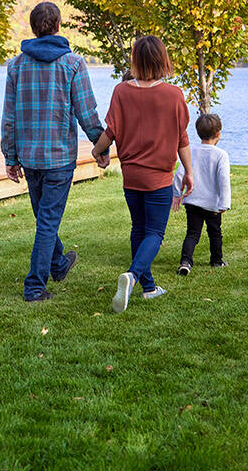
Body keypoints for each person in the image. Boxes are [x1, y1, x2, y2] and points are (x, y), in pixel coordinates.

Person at [1, 1, 105, 302]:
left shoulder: (16, 66)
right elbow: (87, 111)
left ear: (34, 28)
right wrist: (100, 146)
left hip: (31, 158)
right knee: (46, 220)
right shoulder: (73, 64)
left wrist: (11, 156)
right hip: (58, 159)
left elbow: (9, 117)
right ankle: (34, 286)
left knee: (45, 218)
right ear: (58, 26)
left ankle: (58, 264)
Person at [91, 36, 192, 313]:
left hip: (131, 175)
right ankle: (134, 276)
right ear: (162, 60)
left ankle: (149, 288)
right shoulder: (174, 95)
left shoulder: (121, 91)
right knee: (155, 233)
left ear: (135, 60)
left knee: (138, 229)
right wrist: (188, 173)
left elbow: (110, 132)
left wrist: (96, 152)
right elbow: (182, 137)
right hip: (158, 177)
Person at [173, 113, 232, 275]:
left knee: (192, 233)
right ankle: (216, 261)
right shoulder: (221, 155)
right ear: (218, 133)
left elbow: (179, 174)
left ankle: (185, 261)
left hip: (192, 201)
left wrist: (177, 194)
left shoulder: (190, 151)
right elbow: (223, 180)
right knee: (215, 233)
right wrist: (224, 203)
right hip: (212, 204)